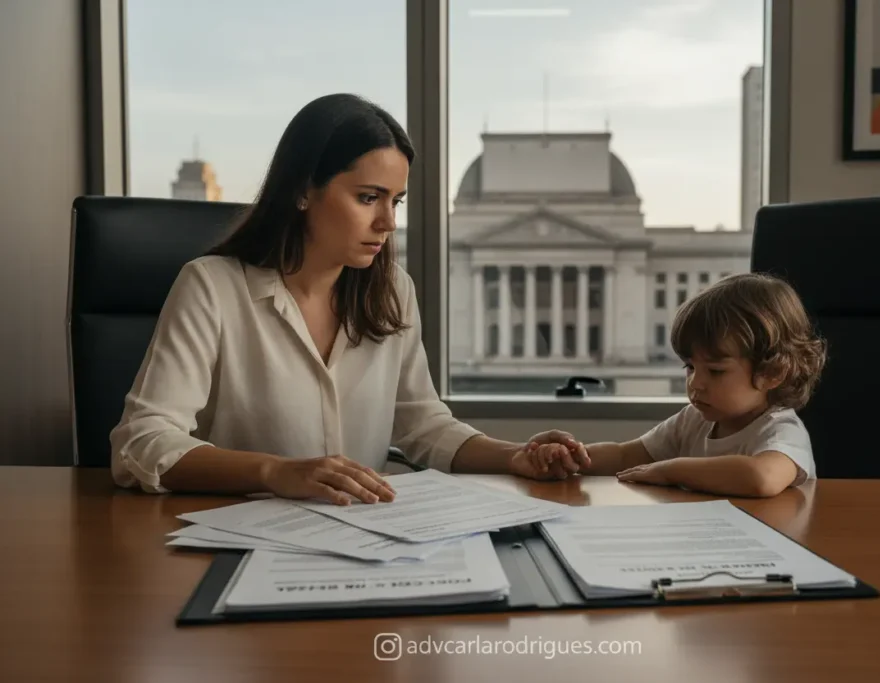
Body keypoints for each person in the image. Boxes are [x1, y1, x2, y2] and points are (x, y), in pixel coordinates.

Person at [110, 93, 589, 504]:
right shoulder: (211, 287)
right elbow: (143, 442)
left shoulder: (394, 291)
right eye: (368, 197)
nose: (388, 222)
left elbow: (423, 426)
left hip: (368, 542)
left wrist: (513, 455)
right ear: (302, 191)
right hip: (241, 540)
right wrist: (274, 472)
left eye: (395, 201)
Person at [527, 273, 826, 498]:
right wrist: (574, 457)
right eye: (690, 367)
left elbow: (761, 478)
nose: (696, 383)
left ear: (773, 372)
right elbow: (625, 456)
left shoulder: (781, 430)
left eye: (716, 371)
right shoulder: (692, 420)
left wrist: (671, 469)